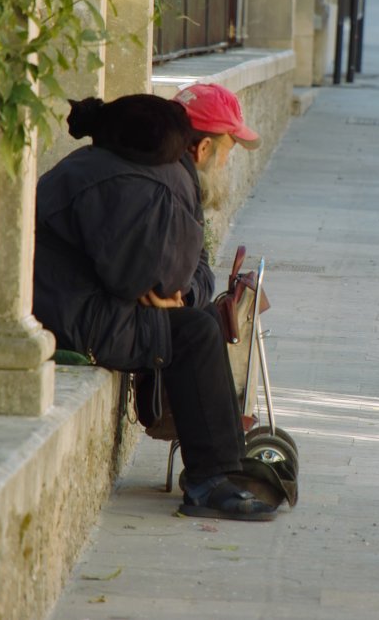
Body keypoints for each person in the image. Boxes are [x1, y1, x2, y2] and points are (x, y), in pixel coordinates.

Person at [33, 92, 276, 521]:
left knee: (195, 321)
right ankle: (209, 480)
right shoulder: (155, 185)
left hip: (74, 303)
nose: (226, 166)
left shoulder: (144, 171)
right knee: (196, 333)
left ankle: (223, 468)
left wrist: (177, 290)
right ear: (202, 149)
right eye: (227, 153)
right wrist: (173, 288)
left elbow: (186, 275)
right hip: (71, 317)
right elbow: (145, 278)